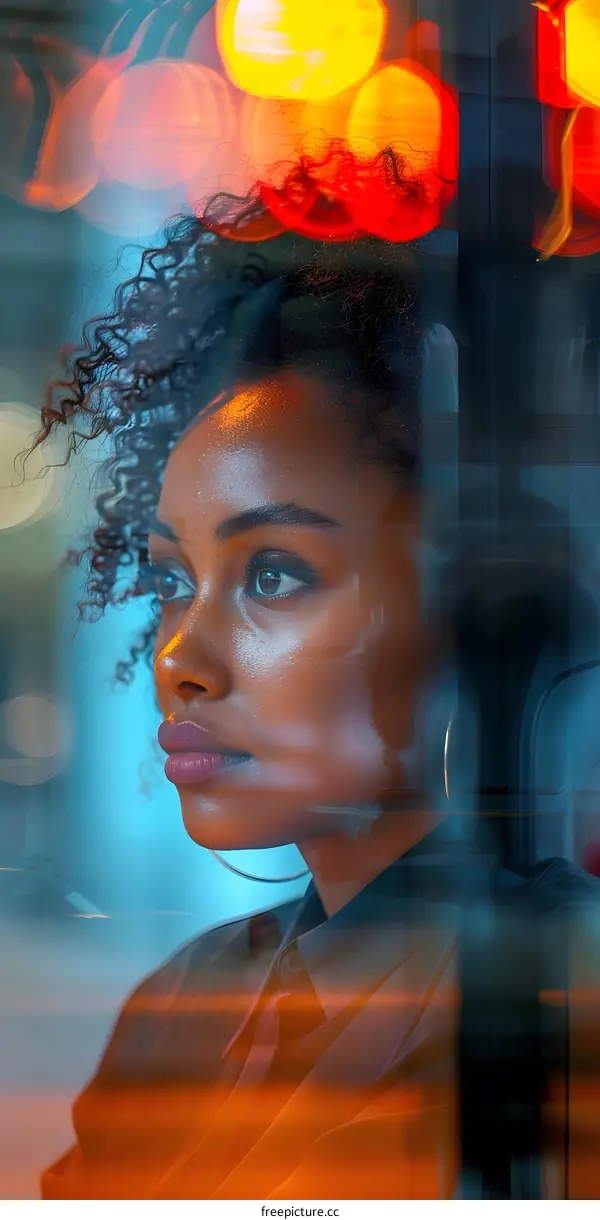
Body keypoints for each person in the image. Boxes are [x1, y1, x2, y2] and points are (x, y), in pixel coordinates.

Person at [29, 197, 600, 1200]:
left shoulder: (564, 1000)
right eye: (171, 578)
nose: (180, 655)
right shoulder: (184, 1003)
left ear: (475, 606)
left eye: (276, 572)